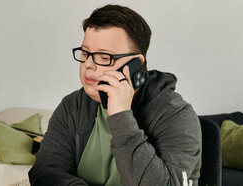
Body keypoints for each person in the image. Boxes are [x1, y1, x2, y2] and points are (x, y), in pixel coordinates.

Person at [29, 4, 201, 186]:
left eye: (104, 57)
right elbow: (44, 171)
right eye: (85, 53)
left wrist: (121, 116)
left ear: (136, 63)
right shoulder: (74, 106)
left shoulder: (177, 116)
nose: (88, 64)